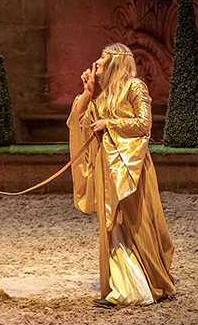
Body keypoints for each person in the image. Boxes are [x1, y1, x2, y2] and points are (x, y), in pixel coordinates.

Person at [67, 43, 176, 309]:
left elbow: (144, 124)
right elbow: (79, 122)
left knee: (135, 222)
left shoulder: (135, 87)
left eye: (101, 60)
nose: (96, 64)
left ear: (115, 64)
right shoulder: (102, 98)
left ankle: (146, 284)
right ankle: (125, 287)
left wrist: (110, 124)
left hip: (131, 169)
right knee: (112, 225)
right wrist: (87, 92)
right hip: (107, 168)